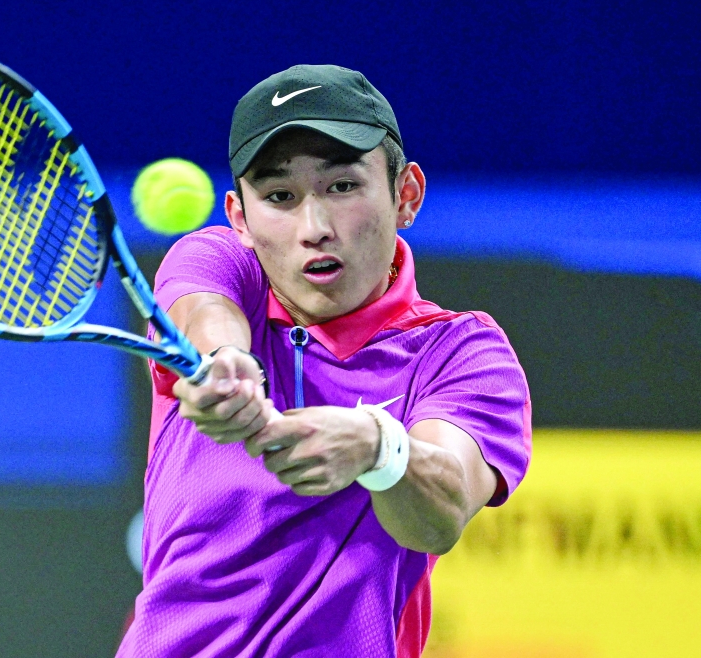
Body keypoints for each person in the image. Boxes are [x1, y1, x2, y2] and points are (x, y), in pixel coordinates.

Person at [117, 65, 531, 658]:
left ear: (406, 195)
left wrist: (377, 447)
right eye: (279, 197)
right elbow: (205, 311)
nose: (314, 228)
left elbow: (441, 513)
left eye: (341, 186)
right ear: (240, 218)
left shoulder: (460, 352)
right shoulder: (216, 262)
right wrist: (225, 363)